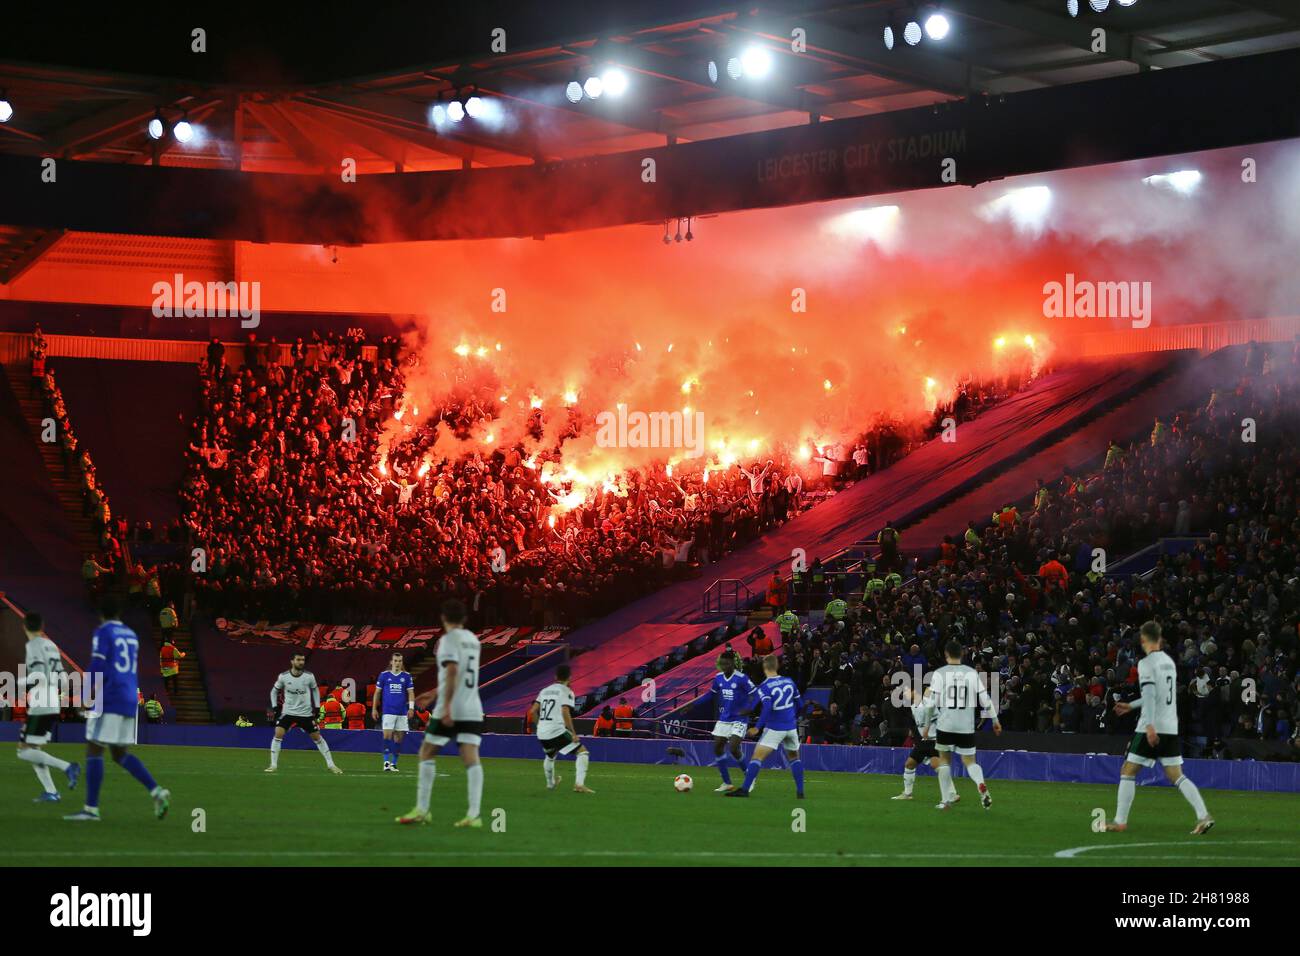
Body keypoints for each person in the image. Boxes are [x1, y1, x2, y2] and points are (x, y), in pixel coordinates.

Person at [64, 597, 171, 821]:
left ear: (101, 615)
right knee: (119, 753)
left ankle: (91, 810)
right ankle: (157, 791)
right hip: (129, 697)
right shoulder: (131, 635)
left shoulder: (103, 631)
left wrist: (84, 696)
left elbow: (98, 664)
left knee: (94, 748)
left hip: (110, 697)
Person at [1106, 621, 1214, 835]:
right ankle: (1204, 816)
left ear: (1144, 640)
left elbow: (1149, 695)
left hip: (1151, 725)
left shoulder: (1147, 664)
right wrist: (1131, 705)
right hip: (1170, 726)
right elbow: (1160, 694)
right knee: (1176, 775)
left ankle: (1119, 821)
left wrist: (1150, 727)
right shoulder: (1169, 662)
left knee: (1127, 771)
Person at [398, 599, 485, 828]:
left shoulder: (447, 641)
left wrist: (445, 706)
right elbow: (462, 674)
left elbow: (453, 671)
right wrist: (434, 692)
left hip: (453, 707)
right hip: (473, 707)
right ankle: (474, 815)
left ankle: (423, 810)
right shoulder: (473, 641)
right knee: (470, 758)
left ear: (443, 618)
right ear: (465, 619)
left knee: (427, 753)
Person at [924, 640, 1001, 811]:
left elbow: (930, 704)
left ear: (946, 654)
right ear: (962, 654)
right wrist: (995, 720)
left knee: (944, 761)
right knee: (970, 762)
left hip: (945, 724)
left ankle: (945, 802)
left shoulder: (939, 673)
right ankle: (980, 784)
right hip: (966, 726)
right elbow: (985, 699)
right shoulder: (972, 673)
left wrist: (927, 725)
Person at [17, 612, 80, 803]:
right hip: (52, 701)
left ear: (24, 627)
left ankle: (67, 767)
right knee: (33, 748)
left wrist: (19, 682)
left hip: (40, 703)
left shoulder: (33, 645)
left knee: (24, 751)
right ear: (42, 627)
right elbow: (63, 679)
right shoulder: (52, 645)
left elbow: (39, 676)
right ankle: (51, 792)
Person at [725, 654, 805, 799]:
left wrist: (757, 727)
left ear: (764, 668)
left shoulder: (765, 686)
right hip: (791, 727)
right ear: (777, 666)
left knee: (757, 757)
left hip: (775, 728)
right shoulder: (789, 681)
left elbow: (767, 706)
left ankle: (744, 789)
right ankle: (800, 792)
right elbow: (800, 705)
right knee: (794, 758)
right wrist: (793, 717)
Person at [265, 652, 342, 774]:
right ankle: (273, 765)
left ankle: (331, 765)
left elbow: (315, 690)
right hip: (288, 712)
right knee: (278, 734)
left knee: (317, 737)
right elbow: (274, 691)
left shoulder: (309, 676)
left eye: (303, 660)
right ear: (292, 661)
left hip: (305, 714)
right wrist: (274, 707)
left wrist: (317, 707)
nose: (301, 662)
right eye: (298, 660)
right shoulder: (283, 677)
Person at [528, 664, 594, 794]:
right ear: (570, 677)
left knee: (550, 755)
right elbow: (565, 711)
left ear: (555, 676)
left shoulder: (544, 690)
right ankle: (579, 785)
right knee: (582, 752)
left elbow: (532, 712)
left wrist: (540, 725)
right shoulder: (566, 691)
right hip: (556, 729)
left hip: (542, 731)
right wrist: (573, 733)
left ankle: (551, 784)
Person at [892, 687, 956, 803]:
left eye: (906, 691)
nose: (905, 695)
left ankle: (952, 794)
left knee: (937, 766)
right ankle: (907, 793)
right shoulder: (913, 707)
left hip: (935, 740)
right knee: (909, 764)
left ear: (914, 691)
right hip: (923, 742)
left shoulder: (928, 702)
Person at [708, 650, 756, 793]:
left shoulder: (742, 678)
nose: (724, 666)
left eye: (727, 663)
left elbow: (756, 694)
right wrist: (692, 705)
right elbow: (711, 694)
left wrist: (749, 708)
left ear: (733, 664)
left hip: (739, 719)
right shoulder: (718, 678)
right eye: (722, 664)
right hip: (724, 718)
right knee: (717, 747)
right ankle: (727, 782)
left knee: (734, 748)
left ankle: (749, 777)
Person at [373, 652, 415, 772]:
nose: (397, 663)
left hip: (402, 712)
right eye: (395, 661)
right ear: (391, 662)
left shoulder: (406, 676)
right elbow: (377, 693)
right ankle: (386, 762)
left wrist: (411, 708)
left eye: (400, 661)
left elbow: (411, 693)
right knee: (387, 736)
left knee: (399, 739)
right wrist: (374, 708)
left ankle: (394, 763)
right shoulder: (384, 675)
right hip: (388, 712)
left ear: (402, 663)